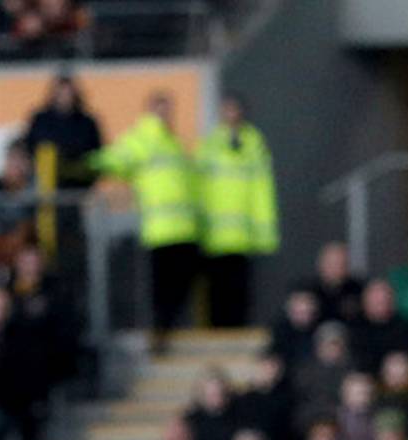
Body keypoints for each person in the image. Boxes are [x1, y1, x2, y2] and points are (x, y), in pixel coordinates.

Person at [90, 92, 201, 347]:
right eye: (159, 109)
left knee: (180, 286)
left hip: (184, 229)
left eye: (167, 109)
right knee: (161, 289)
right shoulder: (143, 139)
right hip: (158, 230)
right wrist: (84, 161)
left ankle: (168, 329)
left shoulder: (174, 142)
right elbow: (113, 160)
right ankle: (160, 331)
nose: (164, 114)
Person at [196, 95, 277, 328]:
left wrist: (263, 230)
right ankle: (216, 328)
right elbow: (200, 185)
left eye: (234, 110)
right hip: (215, 235)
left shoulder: (254, 143)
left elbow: (262, 188)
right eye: (226, 110)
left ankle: (237, 325)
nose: (231, 115)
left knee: (240, 287)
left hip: (243, 234)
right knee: (216, 288)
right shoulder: (209, 144)